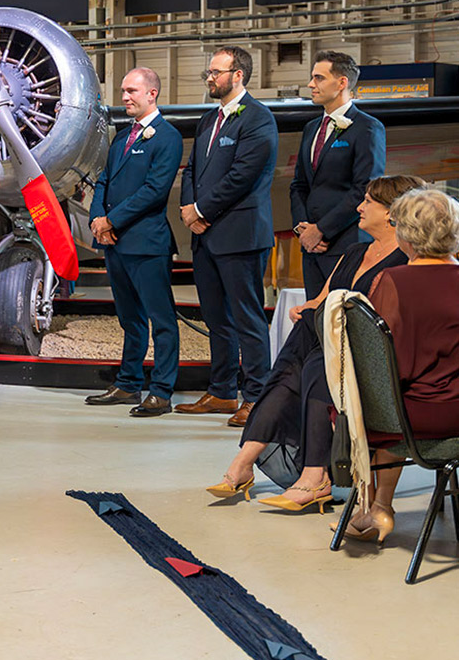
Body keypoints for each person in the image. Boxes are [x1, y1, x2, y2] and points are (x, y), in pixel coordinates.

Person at [206, 175, 424, 509]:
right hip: (333, 346)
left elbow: (387, 322)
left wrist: (315, 316)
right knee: (301, 354)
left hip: (369, 357)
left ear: (393, 212)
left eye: (368, 202)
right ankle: (271, 466)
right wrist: (302, 310)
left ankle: (283, 469)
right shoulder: (354, 251)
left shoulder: (408, 260)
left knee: (311, 361)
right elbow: (322, 299)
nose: (359, 207)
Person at [337, 188, 459, 543]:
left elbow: (384, 366)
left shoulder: (394, 281)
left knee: (361, 404)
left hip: (412, 416)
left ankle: (375, 509)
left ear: (405, 234)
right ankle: (378, 509)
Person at [177, 45, 278, 428]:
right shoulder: (207, 120)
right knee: (217, 318)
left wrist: (201, 210)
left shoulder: (258, 119)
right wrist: (189, 210)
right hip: (205, 236)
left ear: (238, 75)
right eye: (209, 71)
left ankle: (256, 396)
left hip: (240, 236)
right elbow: (191, 171)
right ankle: (221, 391)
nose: (209, 77)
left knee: (247, 319)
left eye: (216, 72)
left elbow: (243, 177)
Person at [84, 68, 182, 417]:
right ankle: (128, 382)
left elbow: (154, 192)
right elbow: (103, 181)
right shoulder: (121, 137)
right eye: (123, 91)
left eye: (132, 91)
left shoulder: (167, 137)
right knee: (130, 319)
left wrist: (112, 220)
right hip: (114, 243)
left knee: (162, 319)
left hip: (147, 244)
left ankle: (161, 391)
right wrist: (98, 220)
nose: (125, 97)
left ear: (152, 93)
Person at [289, 50, 386, 298]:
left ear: (342, 82)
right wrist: (303, 230)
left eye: (319, 78)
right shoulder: (311, 129)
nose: (311, 84)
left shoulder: (367, 128)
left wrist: (321, 230)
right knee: (314, 320)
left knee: (342, 323)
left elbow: (365, 188)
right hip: (310, 246)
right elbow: (299, 185)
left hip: (346, 243)